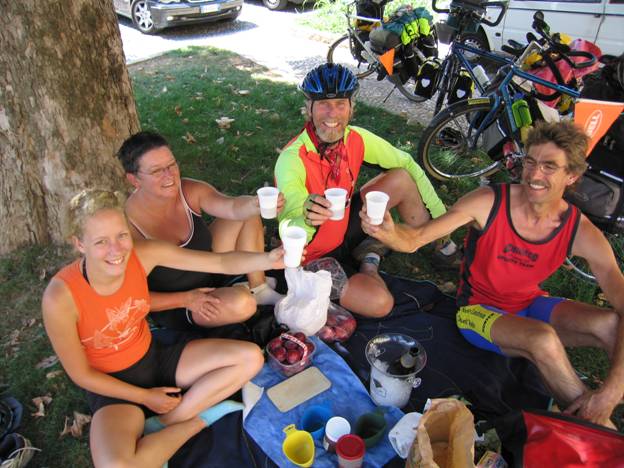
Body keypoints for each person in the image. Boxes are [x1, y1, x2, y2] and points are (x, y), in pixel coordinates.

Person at [361, 121, 624, 428]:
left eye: (550, 167)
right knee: (544, 341)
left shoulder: (579, 229)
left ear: (572, 176)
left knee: (610, 323)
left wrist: (611, 389)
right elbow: (417, 238)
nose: (535, 175)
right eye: (530, 162)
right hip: (476, 312)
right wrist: (391, 234)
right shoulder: (488, 203)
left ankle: (600, 410)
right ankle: (597, 430)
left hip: (529, 305)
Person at [41, 189, 289, 466]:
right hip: (111, 386)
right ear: (79, 244)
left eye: (121, 235)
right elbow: (82, 374)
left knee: (250, 358)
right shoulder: (60, 297)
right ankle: (197, 420)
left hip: (154, 356)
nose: (116, 250)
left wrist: (267, 260)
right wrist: (145, 397)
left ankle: (166, 423)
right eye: (101, 241)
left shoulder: (142, 254)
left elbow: (219, 261)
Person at [274, 63, 457, 318]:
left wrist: (442, 220)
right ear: (309, 108)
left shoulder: (355, 138)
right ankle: (370, 259)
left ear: (352, 107)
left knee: (402, 178)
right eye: (323, 104)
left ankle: (438, 241)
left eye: (340, 103)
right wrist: (305, 219)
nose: (332, 113)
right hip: (313, 254)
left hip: (346, 225)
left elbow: (406, 161)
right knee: (379, 303)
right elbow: (288, 228)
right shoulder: (292, 159)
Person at [117, 131, 284, 332]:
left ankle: (260, 288)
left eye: (171, 165)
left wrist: (253, 205)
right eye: (156, 171)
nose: (169, 175)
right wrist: (184, 299)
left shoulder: (187, 189)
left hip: (209, 267)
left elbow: (231, 207)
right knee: (243, 304)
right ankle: (238, 293)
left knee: (244, 215)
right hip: (182, 302)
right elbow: (128, 298)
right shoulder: (127, 230)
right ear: (134, 180)